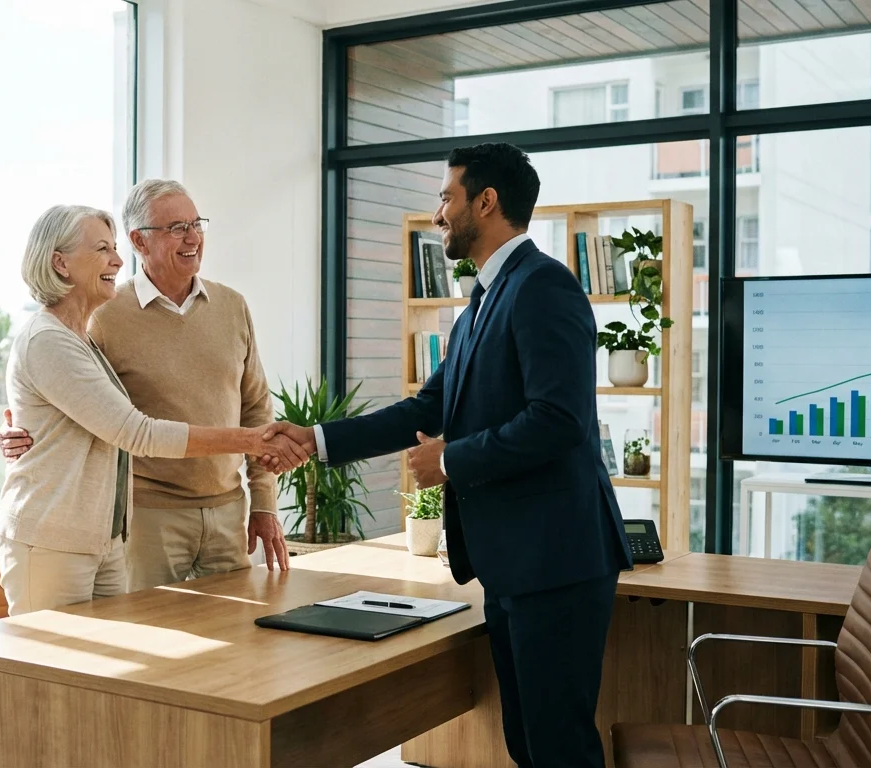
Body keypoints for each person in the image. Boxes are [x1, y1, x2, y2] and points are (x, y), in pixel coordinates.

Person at [268, 143, 631, 767]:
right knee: (527, 742)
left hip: (558, 563)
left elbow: (560, 422)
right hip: (517, 563)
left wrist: (453, 460)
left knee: (559, 747)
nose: (438, 214)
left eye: (446, 196)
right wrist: (318, 440)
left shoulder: (544, 287)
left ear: (485, 202)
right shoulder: (479, 307)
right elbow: (424, 410)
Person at [0, 204, 305, 615]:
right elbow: (134, 430)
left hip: (104, 536)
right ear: (61, 264)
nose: (117, 260)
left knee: (111, 668)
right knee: (54, 669)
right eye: (102, 249)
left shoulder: (78, 337)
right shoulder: (58, 336)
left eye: (196, 224)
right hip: (63, 533)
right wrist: (252, 441)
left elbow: (67, 414)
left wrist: (261, 491)